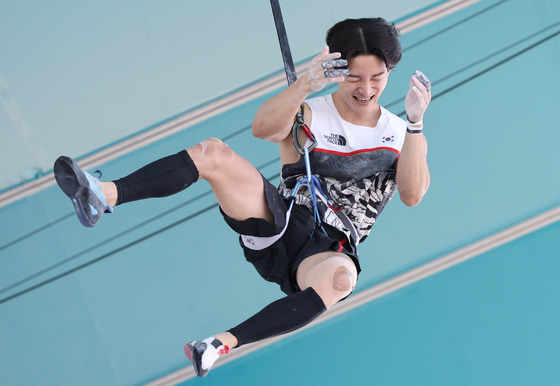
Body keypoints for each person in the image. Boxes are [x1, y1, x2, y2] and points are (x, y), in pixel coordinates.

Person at [54, 17, 431, 377]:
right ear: (334, 68)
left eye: (377, 78)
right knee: (213, 153)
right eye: (353, 77)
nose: (365, 89)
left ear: (391, 72)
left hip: (328, 248)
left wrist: (415, 122)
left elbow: (413, 195)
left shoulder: (400, 132)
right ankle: (103, 195)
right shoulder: (308, 111)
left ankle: (217, 344)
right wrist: (305, 84)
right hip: (280, 216)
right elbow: (262, 129)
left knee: (341, 281)